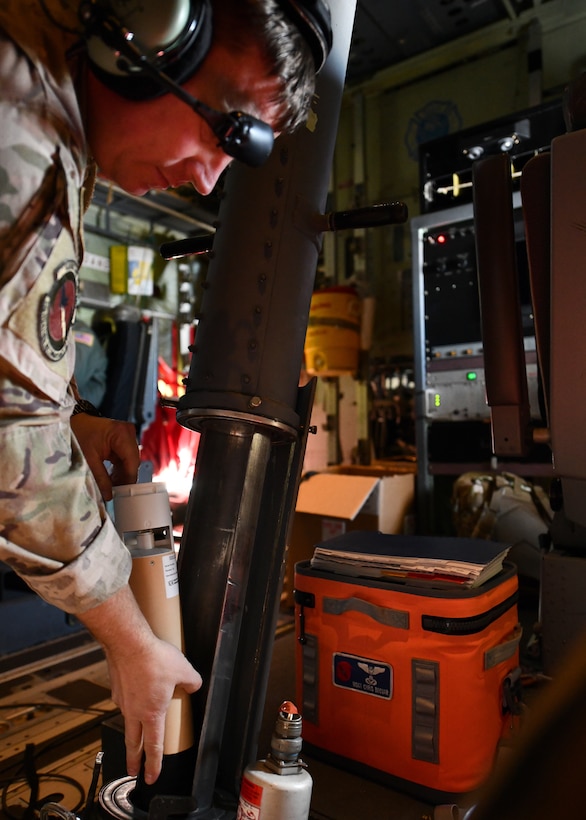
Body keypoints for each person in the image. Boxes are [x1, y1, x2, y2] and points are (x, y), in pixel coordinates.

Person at [0, 0, 318, 789]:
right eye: (224, 128)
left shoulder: (54, 111)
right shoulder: (23, 128)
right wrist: (131, 641)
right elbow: (10, 443)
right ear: (146, 35)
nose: (209, 177)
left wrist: (70, 420)